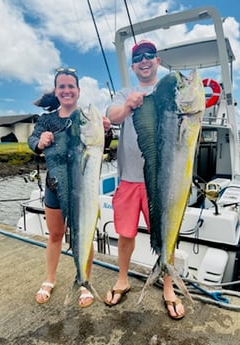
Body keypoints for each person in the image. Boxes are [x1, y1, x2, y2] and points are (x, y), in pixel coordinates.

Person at [104, 40, 185, 319]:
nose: (144, 61)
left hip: (161, 181)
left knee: (165, 236)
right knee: (126, 234)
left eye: (149, 56)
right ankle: (123, 279)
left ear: (158, 61)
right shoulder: (124, 92)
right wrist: (128, 104)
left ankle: (168, 287)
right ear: (133, 65)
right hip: (129, 180)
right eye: (138, 57)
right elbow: (113, 117)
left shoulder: (170, 91)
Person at [28, 67, 110, 307]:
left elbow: (102, 147)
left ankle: (84, 282)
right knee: (55, 235)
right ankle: (50, 279)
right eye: (61, 86)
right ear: (56, 91)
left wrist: (106, 130)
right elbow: (32, 140)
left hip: (82, 190)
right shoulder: (47, 120)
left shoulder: (85, 119)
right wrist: (39, 141)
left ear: (78, 91)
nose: (66, 90)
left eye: (70, 86)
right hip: (54, 187)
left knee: (84, 236)